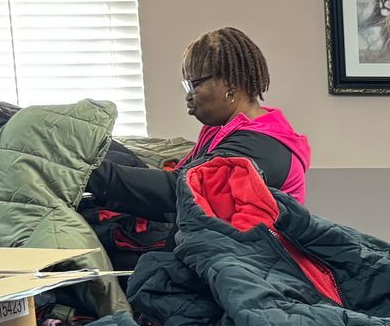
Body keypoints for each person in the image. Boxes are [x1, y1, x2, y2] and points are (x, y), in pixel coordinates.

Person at [85, 26, 312, 222]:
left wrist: (86, 173)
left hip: (247, 254)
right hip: (216, 240)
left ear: (230, 82)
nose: (188, 96)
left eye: (194, 85)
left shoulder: (260, 146)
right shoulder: (221, 130)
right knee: (104, 148)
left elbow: (180, 190)